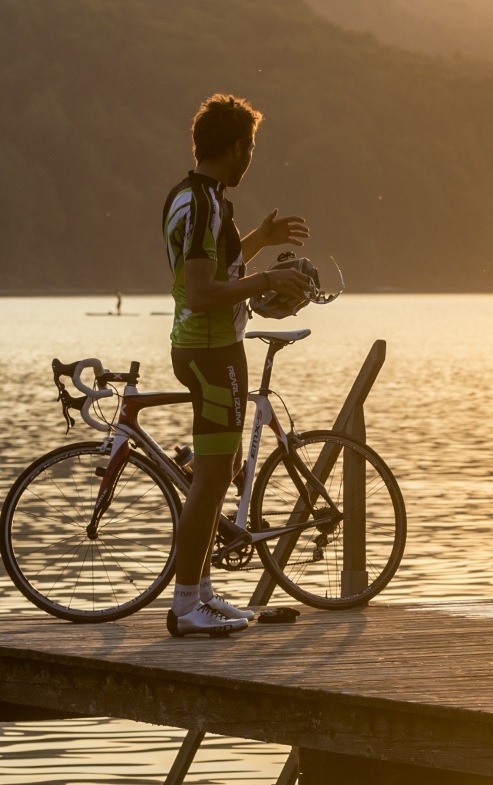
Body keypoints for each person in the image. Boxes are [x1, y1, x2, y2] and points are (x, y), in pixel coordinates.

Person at [163, 93, 313, 637]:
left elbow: (212, 271)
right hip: (210, 349)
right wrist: (268, 280)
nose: (251, 158)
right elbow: (204, 293)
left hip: (203, 345)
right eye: (249, 147)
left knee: (220, 472)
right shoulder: (203, 204)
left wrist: (259, 242)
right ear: (233, 147)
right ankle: (185, 605)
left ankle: (201, 592)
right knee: (209, 480)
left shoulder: (196, 197)